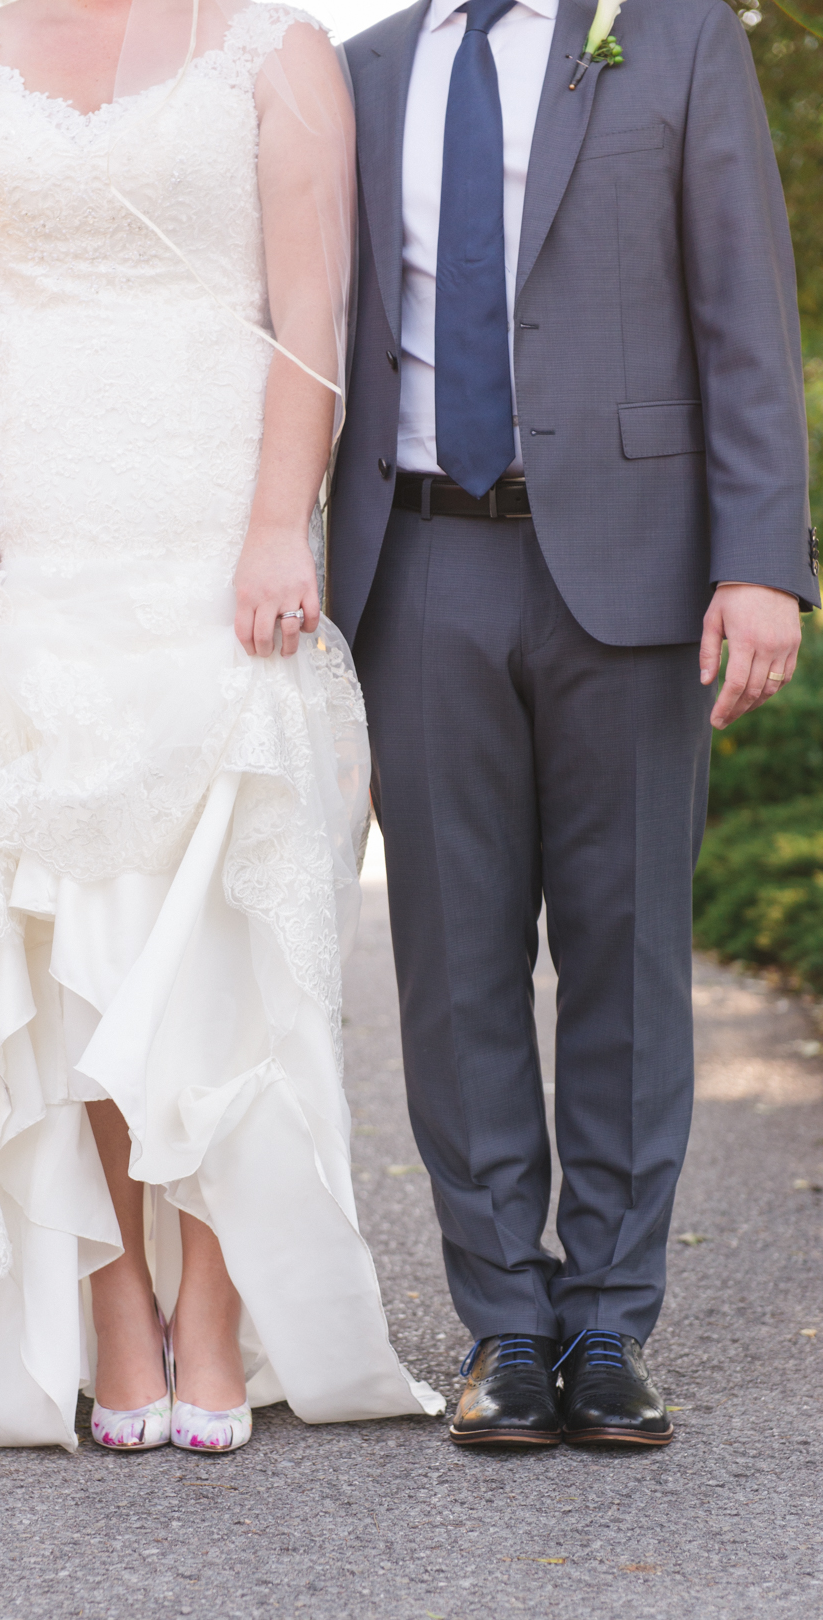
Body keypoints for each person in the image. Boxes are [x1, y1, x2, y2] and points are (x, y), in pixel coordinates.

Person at [0, 0, 442, 1459]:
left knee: (198, 936)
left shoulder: (281, 49)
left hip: (205, 532)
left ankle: (212, 1315)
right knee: (51, 934)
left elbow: (308, 311)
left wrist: (276, 529)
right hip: (21, 534)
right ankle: (116, 1313)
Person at [330, 0, 819, 1447]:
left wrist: (762, 560)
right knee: (450, 958)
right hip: (415, 558)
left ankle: (607, 1321)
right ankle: (503, 1323)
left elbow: (744, 305)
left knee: (625, 946)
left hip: (638, 559)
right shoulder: (356, 73)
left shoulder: (674, 39)